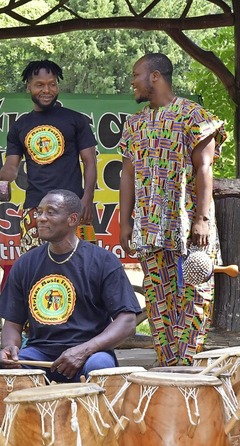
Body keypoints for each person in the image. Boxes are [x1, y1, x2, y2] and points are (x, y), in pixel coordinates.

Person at [0, 189, 140, 406]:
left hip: (88, 355)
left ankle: (102, 436)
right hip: (37, 356)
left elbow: (128, 321)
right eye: (39, 212)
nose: (40, 218)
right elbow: (12, 322)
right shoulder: (26, 263)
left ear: (72, 219)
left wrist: (84, 350)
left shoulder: (103, 261)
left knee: (101, 368)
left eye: (51, 212)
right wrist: (10, 348)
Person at [118, 53, 227, 366]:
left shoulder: (194, 116)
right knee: (157, 294)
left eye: (136, 74)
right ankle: (166, 362)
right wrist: (125, 221)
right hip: (150, 225)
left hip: (189, 221)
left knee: (194, 287)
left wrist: (202, 220)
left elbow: (204, 168)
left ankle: (187, 361)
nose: (132, 81)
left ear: (155, 77)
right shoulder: (135, 123)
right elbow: (127, 174)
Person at [0, 60, 98, 257]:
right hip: (35, 209)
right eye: (40, 84)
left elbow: (89, 161)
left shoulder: (76, 120)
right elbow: (11, 170)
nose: (46, 90)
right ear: (28, 86)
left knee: (84, 270)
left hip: (73, 208)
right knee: (35, 271)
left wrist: (87, 198)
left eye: (52, 84)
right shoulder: (20, 126)